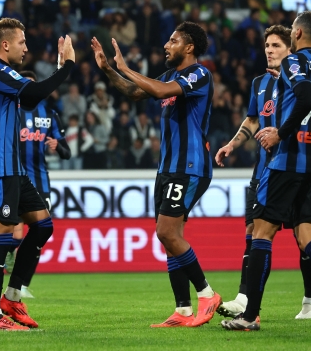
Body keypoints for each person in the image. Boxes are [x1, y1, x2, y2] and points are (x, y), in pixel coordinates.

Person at [221, 11, 311, 332]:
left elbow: (305, 95)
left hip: (287, 160)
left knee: (261, 234)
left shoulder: (294, 63)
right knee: (309, 236)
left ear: (296, 34)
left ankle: (250, 315)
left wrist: (281, 132)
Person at [91, 22, 221, 328]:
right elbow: (136, 92)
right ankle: (183, 311)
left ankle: (207, 294)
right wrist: (110, 70)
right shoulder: (169, 76)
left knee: (166, 232)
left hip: (190, 167)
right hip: (167, 168)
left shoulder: (199, 74)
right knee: (170, 237)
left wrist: (125, 65)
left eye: (173, 40)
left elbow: (160, 91)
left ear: (189, 48)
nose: (166, 44)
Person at [0, 18, 74, 331]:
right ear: (5, 45)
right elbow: (33, 95)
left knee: (43, 225)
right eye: (21, 42)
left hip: (13, 169)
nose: (26, 48)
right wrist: (66, 66)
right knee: (1, 236)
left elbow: (31, 97)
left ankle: (13, 296)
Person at [215, 25, 311, 320]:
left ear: (290, 50)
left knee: (303, 237)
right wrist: (232, 144)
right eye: (267, 46)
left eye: (276, 45)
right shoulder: (259, 83)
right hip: (262, 171)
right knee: (253, 233)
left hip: (293, 167)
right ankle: (245, 298)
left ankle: (310, 302)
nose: (270, 50)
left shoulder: (297, 81)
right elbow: (252, 120)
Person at [5, 70, 72, 298]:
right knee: (13, 232)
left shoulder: (49, 114)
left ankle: (22, 284)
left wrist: (57, 145)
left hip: (40, 182)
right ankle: (9, 262)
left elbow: (67, 153)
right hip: (14, 178)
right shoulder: (11, 112)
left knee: (39, 233)